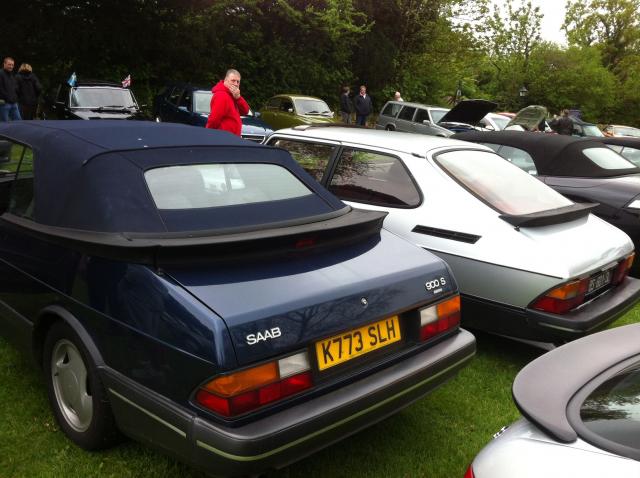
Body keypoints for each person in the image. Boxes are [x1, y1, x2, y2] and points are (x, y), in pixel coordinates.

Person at [205, 69, 249, 136]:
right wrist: (208, 134)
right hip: (223, 138)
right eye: (233, 81)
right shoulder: (221, 95)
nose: (236, 84)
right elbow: (214, 120)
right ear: (225, 80)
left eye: (238, 82)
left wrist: (238, 98)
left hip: (231, 138)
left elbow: (245, 111)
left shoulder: (233, 95)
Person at [0, 57, 21, 121]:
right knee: (4, 124)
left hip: (14, 103)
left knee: (19, 122)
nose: (11, 66)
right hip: (3, 103)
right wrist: (4, 98)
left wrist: (15, 97)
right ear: (4, 64)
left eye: (12, 65)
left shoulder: (11, 75)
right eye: (9, 64)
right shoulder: (0, 74)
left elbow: (14, 88)